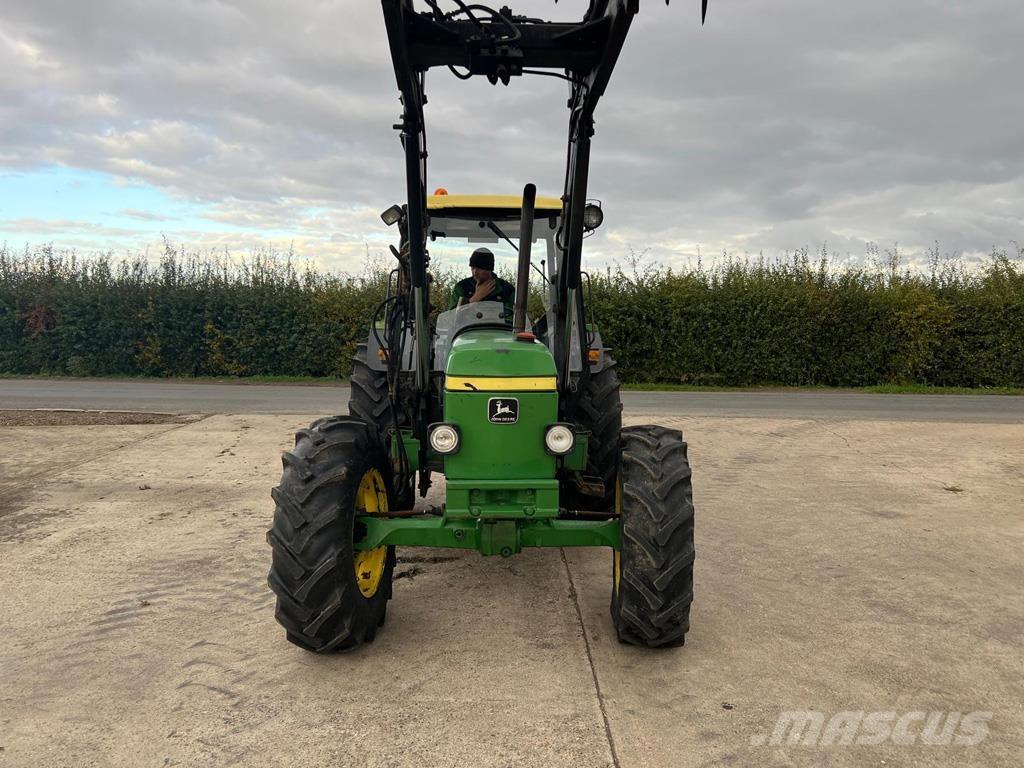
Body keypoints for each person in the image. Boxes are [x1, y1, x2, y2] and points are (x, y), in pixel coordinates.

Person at [447, 247, 515, 316]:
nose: (475, 273)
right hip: (469, 327)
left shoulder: (507, 289)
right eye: (473, 268)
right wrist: (474, 298)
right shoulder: (462, 287)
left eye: (479, 269)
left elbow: (515, 318)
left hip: (499, 327)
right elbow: (451, 318)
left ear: (489, 269)